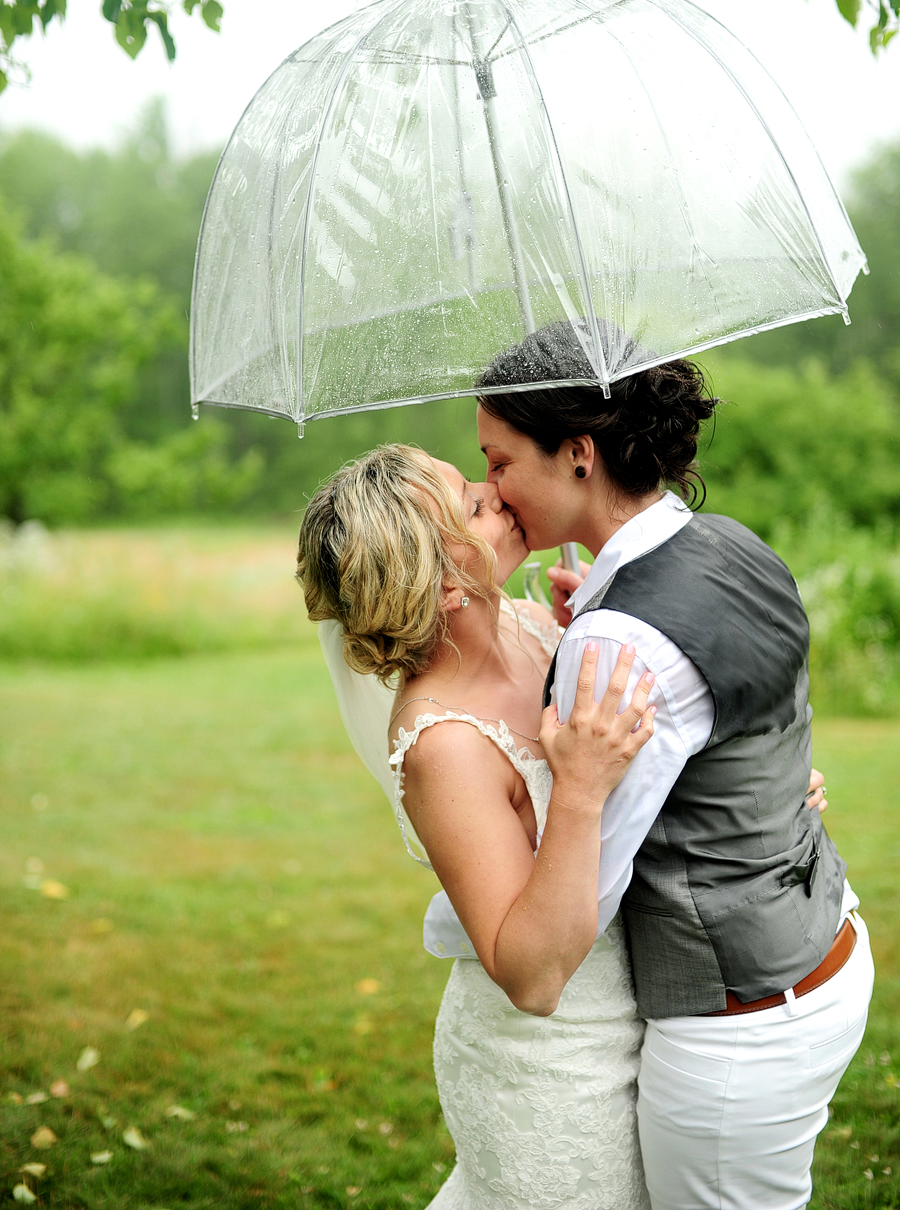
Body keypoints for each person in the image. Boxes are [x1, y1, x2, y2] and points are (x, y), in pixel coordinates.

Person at [296, 442, 829, 1210]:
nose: (496, 491)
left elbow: (646, 788)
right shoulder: (442, 743)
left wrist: (751, 786)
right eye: (472, 503)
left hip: (647, 1009)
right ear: (444, 586)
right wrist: (577, 786)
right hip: (551, 1069)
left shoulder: (533, 626)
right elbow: (531, 975)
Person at [474, 320, 874, 1210]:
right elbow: (737, 722)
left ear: (578, 452)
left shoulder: (619, 642)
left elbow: (576, 915)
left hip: (739, 1026)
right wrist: (606, 612)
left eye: (500, 462)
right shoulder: (730, 543)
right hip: (827, 938)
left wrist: (603, 643)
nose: (493, 490)